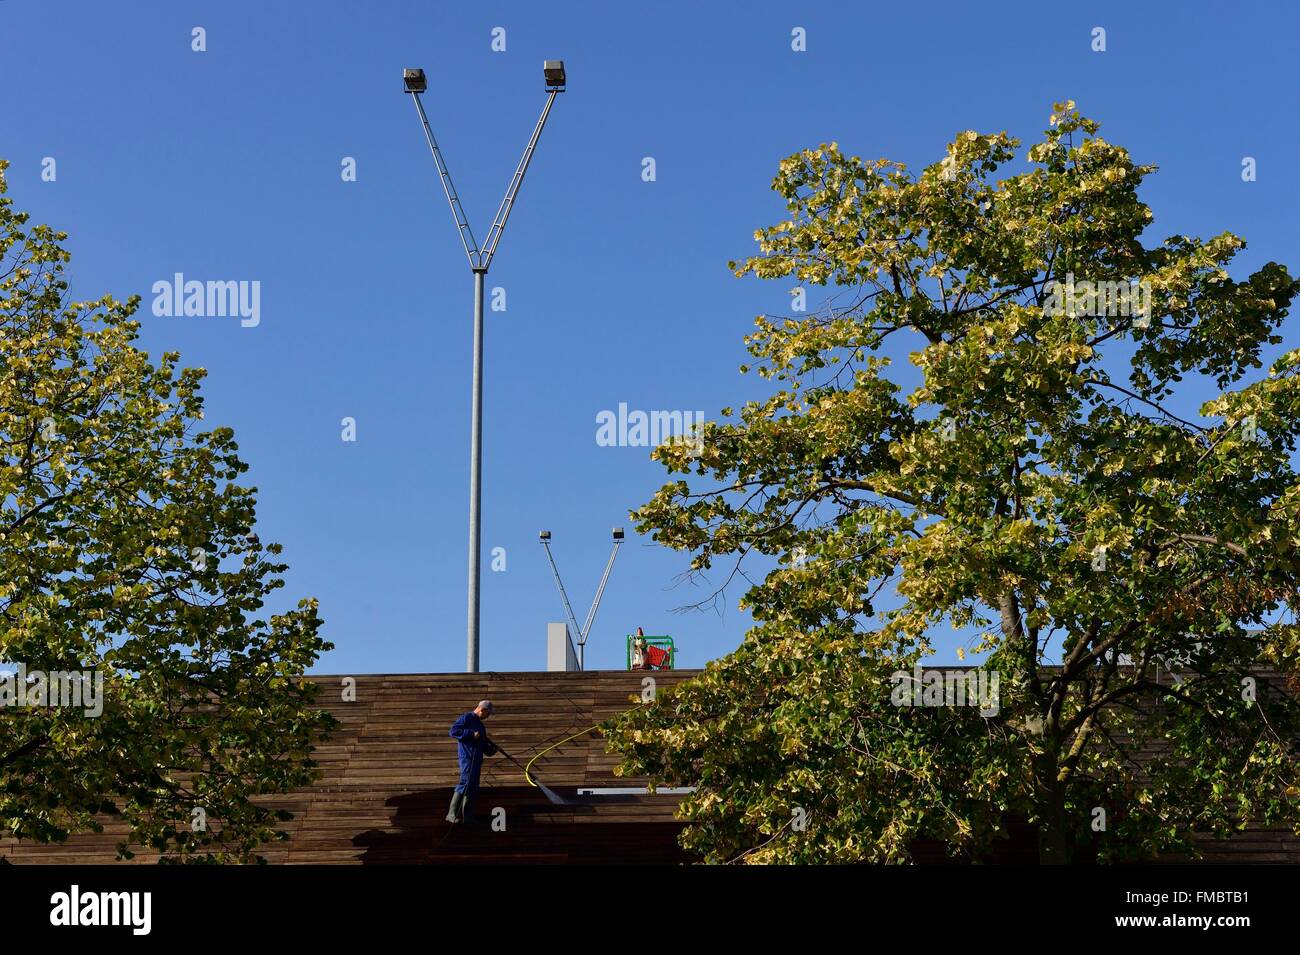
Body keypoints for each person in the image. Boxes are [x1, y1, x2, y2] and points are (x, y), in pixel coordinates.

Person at [446, 700, 498, 824]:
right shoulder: (467, 718)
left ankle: (468, 818)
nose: (488, 716)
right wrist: (470, 734)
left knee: (473, 787)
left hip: (477, 760)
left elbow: (483, 744)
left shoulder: (480, 725)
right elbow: (453, 731)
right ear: (482, 710)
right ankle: (451, 814)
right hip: (467, 758)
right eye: (488, 714)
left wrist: (492, 750)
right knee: (465, 783)